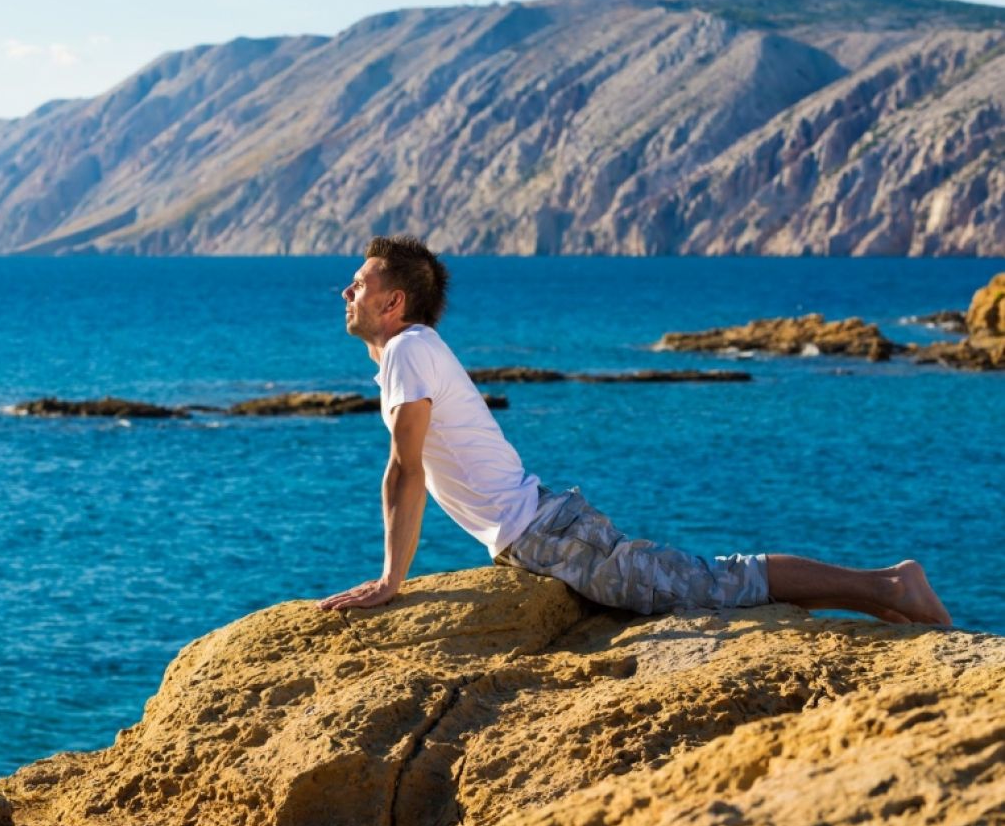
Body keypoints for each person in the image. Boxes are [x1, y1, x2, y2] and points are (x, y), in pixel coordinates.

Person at [316, 235, 952, 626]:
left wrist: (390, 582)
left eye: (360, 283)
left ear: (392, 302)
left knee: (713, 584)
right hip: (544, 529)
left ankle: (889, 585)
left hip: (546, 535)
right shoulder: (417, 349)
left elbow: (406, 469)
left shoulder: (406, 353)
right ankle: (882, 595)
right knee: (710, 579)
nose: (346, 290)